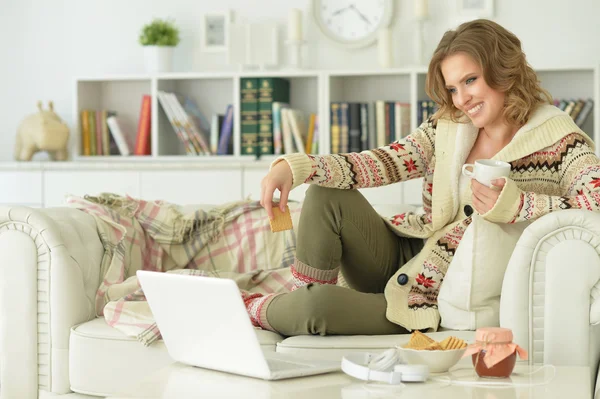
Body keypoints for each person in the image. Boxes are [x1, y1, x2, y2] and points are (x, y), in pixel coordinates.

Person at [242, 19, 600, 337]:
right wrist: (298, 166)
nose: (461, 99)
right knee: (324, 194)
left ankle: (254, 308)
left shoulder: (558, 140)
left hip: (432, 295)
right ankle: (296, 299)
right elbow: (383, 163)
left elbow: (594, 201)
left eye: (470, 80)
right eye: (453, 88)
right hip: (407, 252)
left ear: (504, 69)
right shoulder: (449, 126)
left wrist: (521, 205)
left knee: (314, 310)